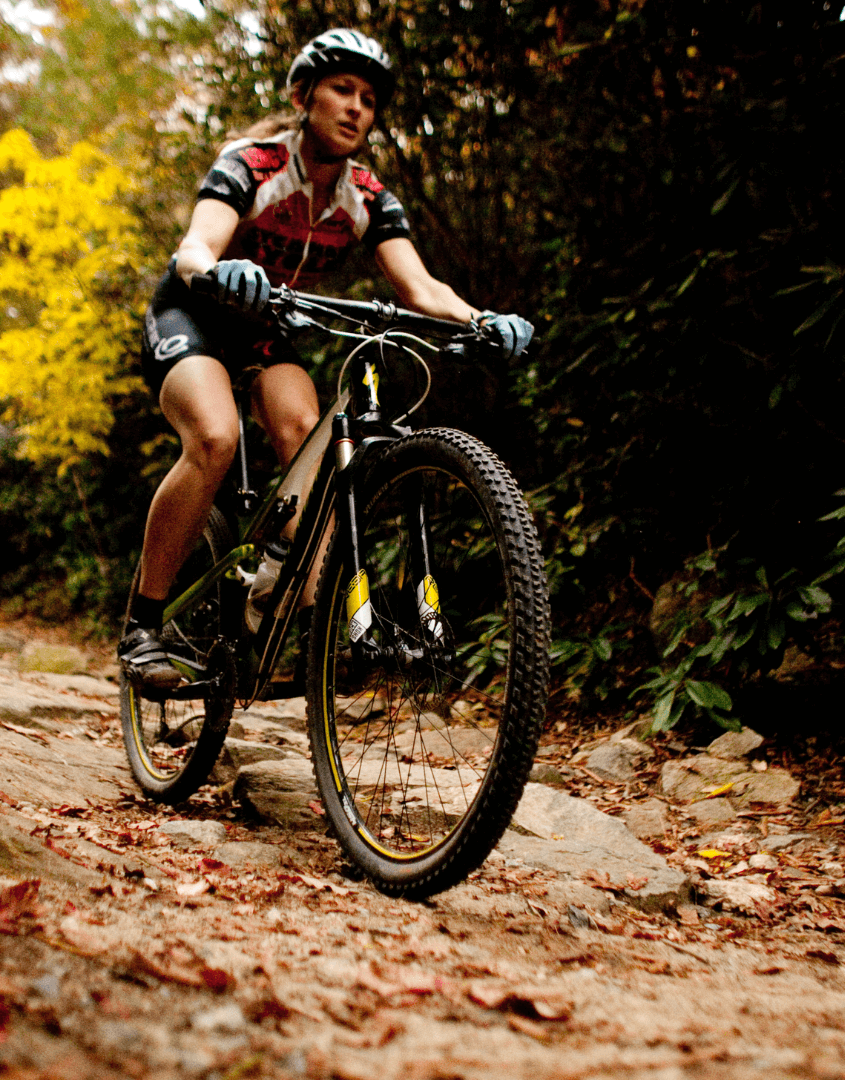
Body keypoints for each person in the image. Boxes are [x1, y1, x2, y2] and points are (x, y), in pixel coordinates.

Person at [119, 27, 534, 689]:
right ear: (302, 96)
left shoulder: (366, 195)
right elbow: (195, 248)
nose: (355, 108)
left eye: (368, 99)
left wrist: (481, 319)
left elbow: (420, 288)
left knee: (311, 446)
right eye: (342, 89)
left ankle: (313, 626)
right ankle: (143, 623)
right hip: (193, 312)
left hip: (262, 327)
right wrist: (219, 271)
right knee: (216, 436)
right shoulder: (252, 163)